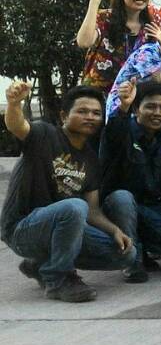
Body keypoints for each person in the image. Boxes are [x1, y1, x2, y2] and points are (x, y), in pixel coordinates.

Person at [4, 81, 138, 301]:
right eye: (82, 111)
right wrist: (13, 104)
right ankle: (58, 280)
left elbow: (92, 211)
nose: (90, 117)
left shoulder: (90, 159)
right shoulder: (44, 134)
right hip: (22, 229)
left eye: (96, 113)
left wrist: (115, 230)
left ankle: (41, 264)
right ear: (64, 116)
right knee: (75, 207)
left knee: (127, 254)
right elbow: (17, 125)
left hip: (63, 228)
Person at [100, 80, 161, 274]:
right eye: (150, 107)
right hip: (119, 209)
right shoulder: (121, 130)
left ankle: (142, 248)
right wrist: (123, 106)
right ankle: (132, 261)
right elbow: (113, 134)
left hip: (153, 209)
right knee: (122, 199)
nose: (157, 113)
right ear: (136, 109)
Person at [77, 0, 161, 91]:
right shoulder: (105, 18)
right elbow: (84, 42)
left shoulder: (153, 25)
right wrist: (94, 2)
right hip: (98, 95)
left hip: (135, 96)